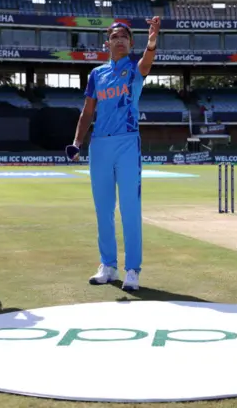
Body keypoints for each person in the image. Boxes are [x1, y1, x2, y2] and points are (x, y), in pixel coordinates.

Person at [66, 18, 160, 292]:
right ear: (107, 43)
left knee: (130, 208)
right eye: (114, 36)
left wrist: (152, 41)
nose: (119, 40)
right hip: (99, 145)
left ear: (131, 43)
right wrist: (76, 142)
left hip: (128, 142)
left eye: (125, 37)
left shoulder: (134, 69)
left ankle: (132, 269)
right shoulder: (97, 74)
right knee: (103, 209)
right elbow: (87, 112)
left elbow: (147, 61)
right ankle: (107, 265)